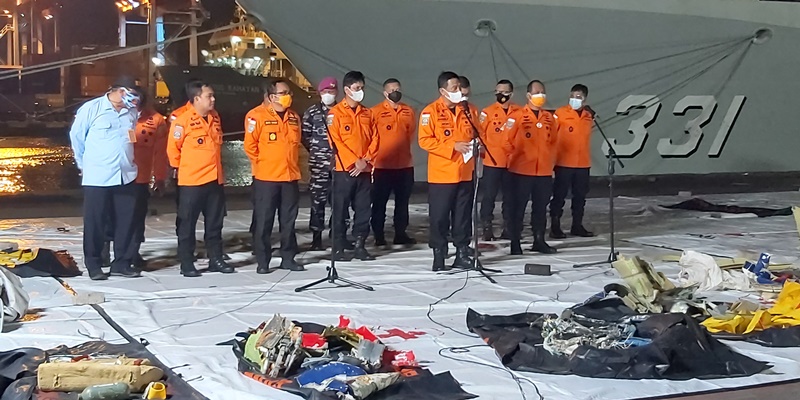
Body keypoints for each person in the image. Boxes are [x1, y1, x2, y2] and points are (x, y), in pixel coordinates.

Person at [68, 75, 143, 280]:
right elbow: (77, 137)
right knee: (96, 223)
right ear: (120, 91)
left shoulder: (132, 111)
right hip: (98, 176)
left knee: (126, 221)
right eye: (132, 94)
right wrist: (83, 164)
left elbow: (130, 138)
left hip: (125, 174)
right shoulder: (92, 109)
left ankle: (122, 263)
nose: (135, 98)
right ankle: (94, 264)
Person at [167, 80, 233, 277]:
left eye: (213, 96)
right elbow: (173, 151)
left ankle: (216, 258)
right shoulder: (182, 120)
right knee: (187, 224)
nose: (213, 99)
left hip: (214, 179)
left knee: (215, 223)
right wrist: (184, 170)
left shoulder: (214, 117)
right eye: (208, 96)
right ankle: (187, 262)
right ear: (196, 99)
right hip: (192, 181)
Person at [244, 79, 306, 274]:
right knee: (264, 221)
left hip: (289, 177)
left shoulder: (294, 117)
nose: (288, 96)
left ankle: (288, 257)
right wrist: (264, 165)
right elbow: (250, 147)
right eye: (284, 93)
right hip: (267, 179)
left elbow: (296, 145)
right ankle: (263, 261)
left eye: (289, 93)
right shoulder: (256, 116)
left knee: (288, 221)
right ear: (272, 97)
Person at [418, 71, 477, 271]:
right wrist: (452, 146)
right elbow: (424, 140)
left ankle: (462, 252)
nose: (459, 91)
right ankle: (439, 253)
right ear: (443, 91)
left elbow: (479, 133)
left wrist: (478, 145)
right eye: (454, 88)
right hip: (442, 175)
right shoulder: (430, 112)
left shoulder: (469, 110)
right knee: (440, 216)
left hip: (465, 172)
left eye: (459, 87)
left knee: (462, 216)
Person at [326, 71, 379, 261]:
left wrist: (365, 160)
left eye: (362, 88)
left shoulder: (368, 113)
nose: (360, 91)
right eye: (357, 88)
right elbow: (335, 141)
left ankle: (360, 245)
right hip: (344, 170)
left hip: (364, 170)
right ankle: (338, 246)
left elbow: (375, 138)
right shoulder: (335, 114)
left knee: (364, 209)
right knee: (340, 210)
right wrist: (353, 161)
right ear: (347, 89)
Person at [504, 80, 559, 255]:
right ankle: (515, 242)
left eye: (542, 92)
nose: (540, 95)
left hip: (543, 171)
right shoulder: (517, 116)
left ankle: (539, 240)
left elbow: (554, 141)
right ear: (528, 95)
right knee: (517, 208)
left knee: (541, 208)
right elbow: (506, 141)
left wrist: (550, 160)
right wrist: (514, 157)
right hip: (521, 171)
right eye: (536, 92)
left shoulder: (549, 118)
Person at [370, 78, 416, 246]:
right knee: (379, 203)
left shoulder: (408, 111)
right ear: (385, 93)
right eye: (392, 90)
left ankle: (400, 234)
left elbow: (410, 134)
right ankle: (378, 235)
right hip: (383, 166)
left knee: (402, 203)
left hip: (404, 165)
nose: (395, 92)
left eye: (398, 89)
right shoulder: (375, 112)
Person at [128, 86, 169, 268]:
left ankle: (133, 252)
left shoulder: (156, 120)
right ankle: (105, 252)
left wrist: (160, 177)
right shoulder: (116, 117)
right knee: (109, 216)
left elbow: (161, 153)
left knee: (137, 218)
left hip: (140, 179)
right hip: (115, 177)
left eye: (136, 96)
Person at [550, 84, 595, 238]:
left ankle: (577, 225)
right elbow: (552, 135)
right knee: (559, 195)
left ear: (585, 99)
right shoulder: (561, 113)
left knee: (580, 196)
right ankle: (555, 225)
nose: (574, 99)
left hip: (582, 163)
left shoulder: (588, 116)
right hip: (564, 162)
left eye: (578, 97)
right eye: (572, 96)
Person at [478, 79, 520, 241]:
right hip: (492, 162)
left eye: (504, 92)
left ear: (511, 93)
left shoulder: (519, 112)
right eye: (498, 91)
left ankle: (508, 227)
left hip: (512, 163)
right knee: (489, 196)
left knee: (510, 197)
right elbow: (480, 134)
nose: (501, 94)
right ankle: (486, 227)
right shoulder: (487, 112)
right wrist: (484, 152)